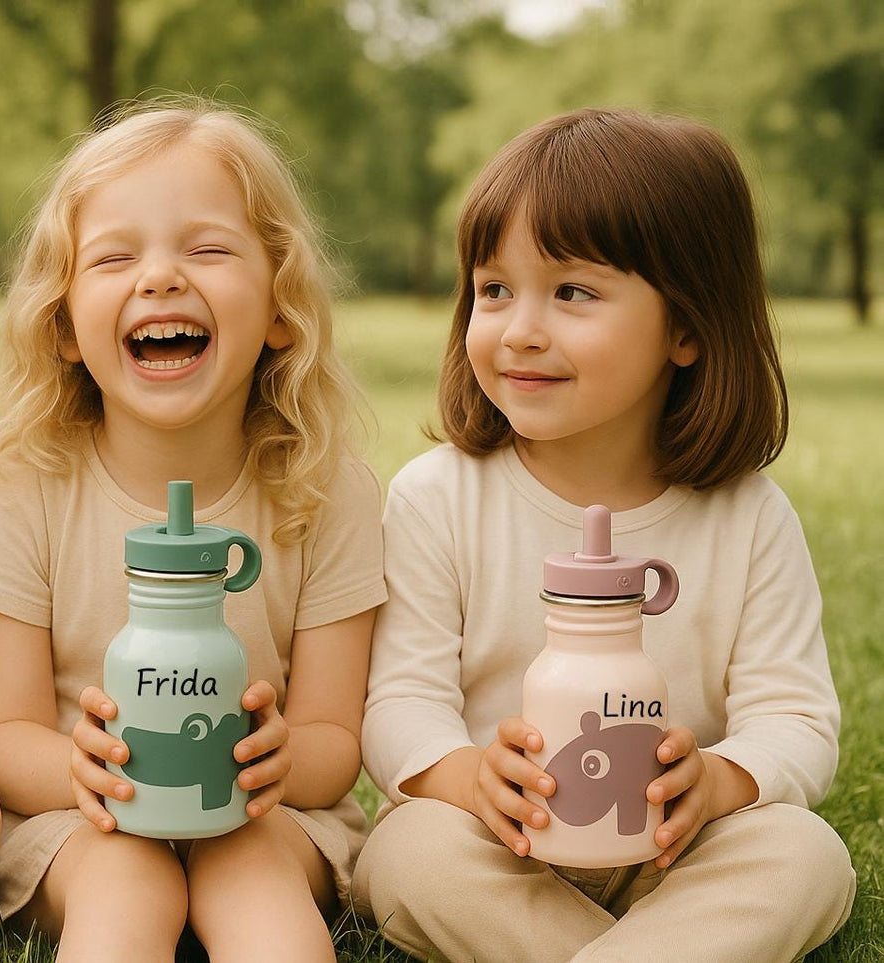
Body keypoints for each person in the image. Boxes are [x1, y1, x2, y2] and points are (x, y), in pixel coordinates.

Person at [352, 107, 856, 962]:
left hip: (673, 850)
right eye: (493, 289)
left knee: (806, 855)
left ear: (688, 328)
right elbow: (400, 700)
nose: (519, 329)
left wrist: (720, 779)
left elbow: (795, 716)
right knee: (406, 852)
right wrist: (465, 777)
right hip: (501, 843)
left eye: (572, 291)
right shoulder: (438, 496)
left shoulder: (746, 515)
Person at [0, 101, 385, 962]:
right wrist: (82, 768)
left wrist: (275, 760)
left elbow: (335, 740)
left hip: (269, 814)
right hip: (83, 819)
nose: (159, 278)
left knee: (245, 871)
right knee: (129, 882)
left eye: (208, 249)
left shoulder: (326, 492)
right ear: (64, 323)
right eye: (114, 257)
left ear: (281, 306)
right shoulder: (21, 486)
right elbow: (2, 736)